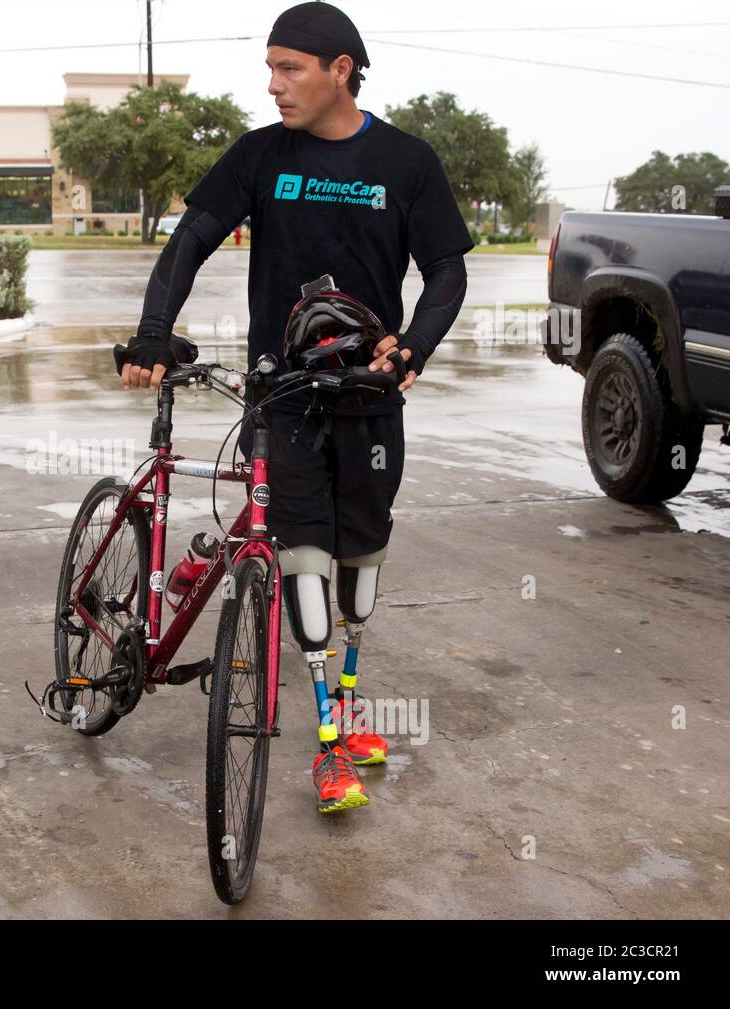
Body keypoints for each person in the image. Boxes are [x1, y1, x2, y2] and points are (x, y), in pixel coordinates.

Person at [117, 2, 471, 813]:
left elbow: (447, 269)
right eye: (270, 67)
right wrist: (150, 332)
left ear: (341, 69)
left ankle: (345, 720)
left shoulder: (406, 161)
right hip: (283, 399)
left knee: (362, 567)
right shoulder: (261, 156)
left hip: (372, 400)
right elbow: (191, 239)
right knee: (305, 558)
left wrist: (413, 345)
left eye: (290, 68)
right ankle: (325, 749)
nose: (272, 84)